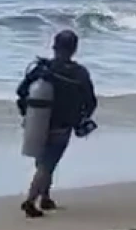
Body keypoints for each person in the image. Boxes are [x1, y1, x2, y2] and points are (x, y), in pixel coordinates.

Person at [16, 30, 98, 219]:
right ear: (74, 49)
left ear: (54, 47)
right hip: (61, 126)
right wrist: (83, 119)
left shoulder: (41, 69)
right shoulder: (79, 73)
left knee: (44, 162)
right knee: (48, 164)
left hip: (37, 121)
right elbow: (90, 101)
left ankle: (45, 197)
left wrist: (26, 115)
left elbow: (21, 91)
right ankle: (30, 200)